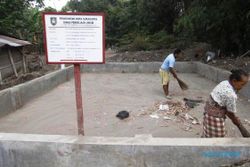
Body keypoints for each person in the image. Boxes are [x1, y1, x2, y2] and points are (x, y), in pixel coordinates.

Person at [202, 69, 249, 137]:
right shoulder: (231, 95)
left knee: (209, 134)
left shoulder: (224, 82)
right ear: (234, 81)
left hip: (208, 112)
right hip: (215, 117)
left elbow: (227, 108)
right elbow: (230, 113)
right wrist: (236, 121)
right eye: (242, 84)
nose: (242, 87)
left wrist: (234, 117)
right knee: (218, 139)